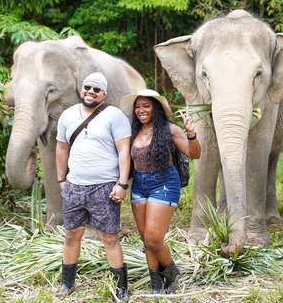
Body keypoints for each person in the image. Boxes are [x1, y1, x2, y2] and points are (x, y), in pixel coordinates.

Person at [55, 72, 131, 302]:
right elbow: (61, 149)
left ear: (103, 94)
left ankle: (121, 288)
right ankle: (67, 283)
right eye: (87, 87)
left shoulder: (114, 115)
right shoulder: (67, 115)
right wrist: (62, 180)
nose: (91, 91)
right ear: (81, 89)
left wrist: (122, 183)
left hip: (105, 187)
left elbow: (124, 152)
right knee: (71, 235)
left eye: (96, 89)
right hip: (75, 186)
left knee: (109, 238)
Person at [119, 89, 201, 294]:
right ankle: (157, 286)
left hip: (164, 184)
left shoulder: (170, 129)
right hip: (139, 185)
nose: (141, 110)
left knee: (154, 239)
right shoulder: (134, 131)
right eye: (137, 106)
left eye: (146, 106)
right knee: (146, 240)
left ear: (156, 108)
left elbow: (194, 153)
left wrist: (191, 133)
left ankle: (172, 273)